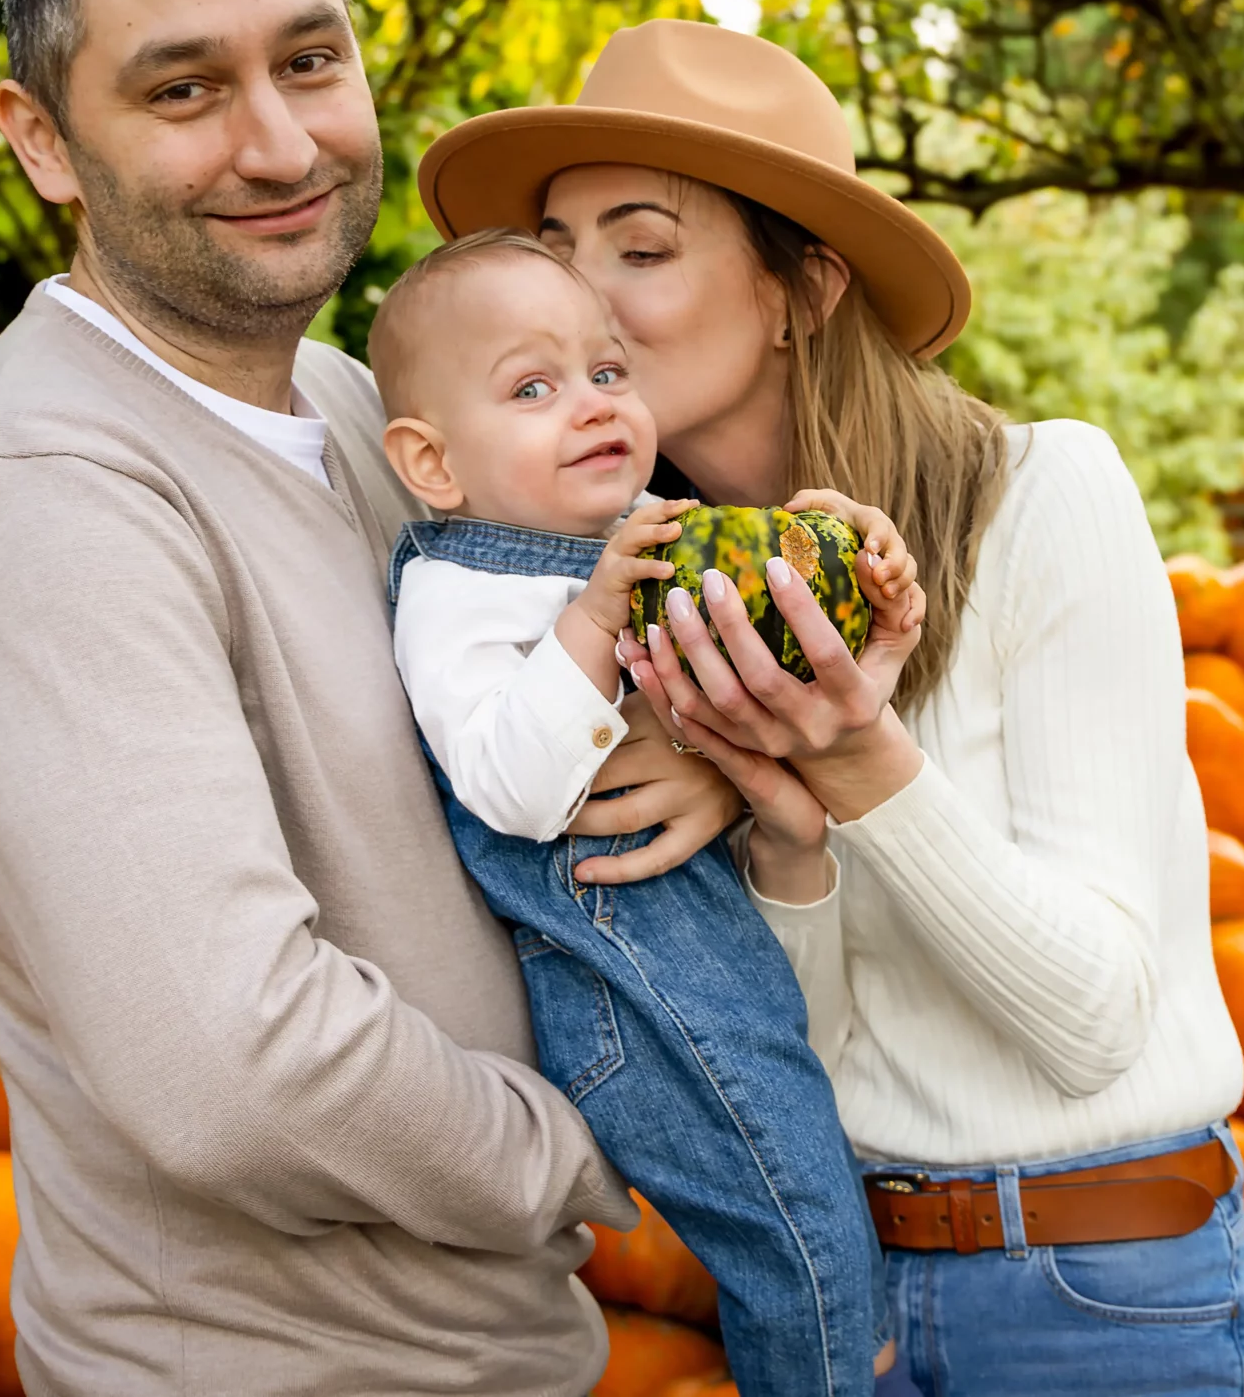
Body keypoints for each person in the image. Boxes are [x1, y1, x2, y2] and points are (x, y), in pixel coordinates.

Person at [0, 0, 746, 1395]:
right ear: (41, 140)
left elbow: (510, 711)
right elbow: (228, 1061)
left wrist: (683, 748)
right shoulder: (44, 494)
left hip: (492, 1349)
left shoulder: (362, 409)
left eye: (310, 60)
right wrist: (575, 1151)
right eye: (184, 88)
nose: (279, 147)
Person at [418, 18, 1244, 1396]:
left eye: (640, 247)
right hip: (839, 1300)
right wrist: (784, 827)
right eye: (562, 256)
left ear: (800, 286)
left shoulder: (1047, 496)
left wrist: (861, 756)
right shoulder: (640, 604)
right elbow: (805, 1054)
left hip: (1090, 1294)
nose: (587, 302)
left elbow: (1095, 1019)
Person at [367, 228, 911, 1396]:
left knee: (811, 1211)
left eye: (607, 372)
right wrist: (594, 621)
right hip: (629, 999)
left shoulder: (612, 549)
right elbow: (511, 787)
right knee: (795, 1224)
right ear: (432, 463)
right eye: (533, 386)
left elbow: (775, 712)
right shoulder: (461, 593)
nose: (593, 404)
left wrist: (856, 591)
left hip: (709, 974)